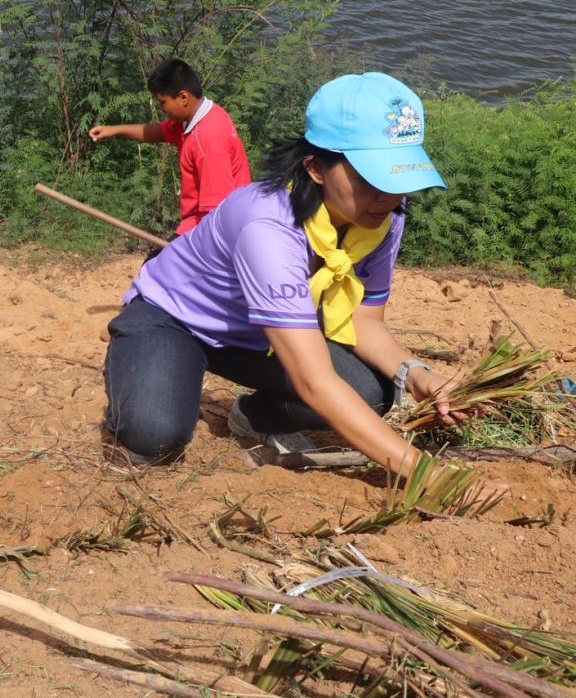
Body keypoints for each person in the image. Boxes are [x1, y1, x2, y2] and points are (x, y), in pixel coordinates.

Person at [102, 72, 487, 488]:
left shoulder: (380, 218)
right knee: (153, 438)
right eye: (370, 179)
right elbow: (313, 381)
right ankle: (140, 360)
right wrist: (430, 476)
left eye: (397, 180)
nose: (387, 196)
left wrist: (416, 373)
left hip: (256, 334)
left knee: (372, 389)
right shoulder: (268, 225)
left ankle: (252, 415)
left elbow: (363, 322)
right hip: (174, 319)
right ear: (316, 168)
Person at [89, 58, 252, 236]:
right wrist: (113, 130)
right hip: (202, 221)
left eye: (163, 102)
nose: (161, 108)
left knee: (155, 264)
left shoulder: (208, 139)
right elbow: (158, 132)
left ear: (183, 97)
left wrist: (181, 248)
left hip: (217, 228)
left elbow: (216, 213)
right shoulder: (196, 117)